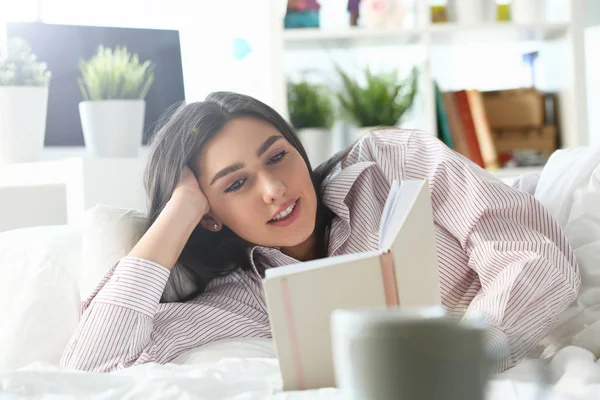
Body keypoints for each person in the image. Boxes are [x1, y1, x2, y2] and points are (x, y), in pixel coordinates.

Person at [61, 92, 580, 373]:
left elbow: (533, 255)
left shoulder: (390, 162)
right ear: (210, 214)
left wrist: (468, 356)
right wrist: (178, 212)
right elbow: (90, 366)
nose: (274, 188)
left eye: (278, 156)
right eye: (237, 183)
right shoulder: (244, 299)